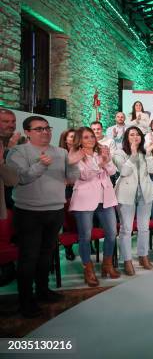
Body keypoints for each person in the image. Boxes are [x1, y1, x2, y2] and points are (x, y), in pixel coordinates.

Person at [7, 116, 80, 317]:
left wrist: (73, 164)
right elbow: (20, 179)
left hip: (55, 210)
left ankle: (43, 290)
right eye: (39, 129)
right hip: (29, 212)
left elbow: (71, 179)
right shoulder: (18, 152)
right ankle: (25, 300)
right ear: (27, 132)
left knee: (46, 254)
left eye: (47, 128)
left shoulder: (62, 152)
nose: (45, 132)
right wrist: (40, 165)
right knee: (28, 257)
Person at [69, 127, 120, 286]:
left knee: (112, 234)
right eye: (86, 137)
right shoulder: (76, 155)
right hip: (84, 199)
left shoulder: (101, 152)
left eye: (92, 136)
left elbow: (112, 171)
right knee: (85, 236)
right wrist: (101, 164)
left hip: (105, 198)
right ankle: (88, 269)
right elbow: (84, 175)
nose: (91, 139)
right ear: (80, 140)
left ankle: (107, 264)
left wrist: (107, 160)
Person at [113, 127, 153, 275]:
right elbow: (124, 172)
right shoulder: (119, 153)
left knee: (144, 228)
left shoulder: (144, 152)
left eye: (138, 134)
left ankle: (143, 256)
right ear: (126, 137)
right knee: (126, 229)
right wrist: (132, 155)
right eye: (131, 134)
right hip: (125, 194)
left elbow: (152, 171)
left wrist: (150, 153)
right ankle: (126, 260)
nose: (135, 137)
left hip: (145, 193)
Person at [58, 128, 77, 260]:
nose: (74, 139)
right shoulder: (60, 153)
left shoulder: (81, 151)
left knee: (83, 217)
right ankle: (68, 248)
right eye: (71, 137)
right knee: (68, 219)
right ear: (65, 139)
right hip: (67, 189)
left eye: (76, 137)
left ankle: (87, 242)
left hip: (81, 188)